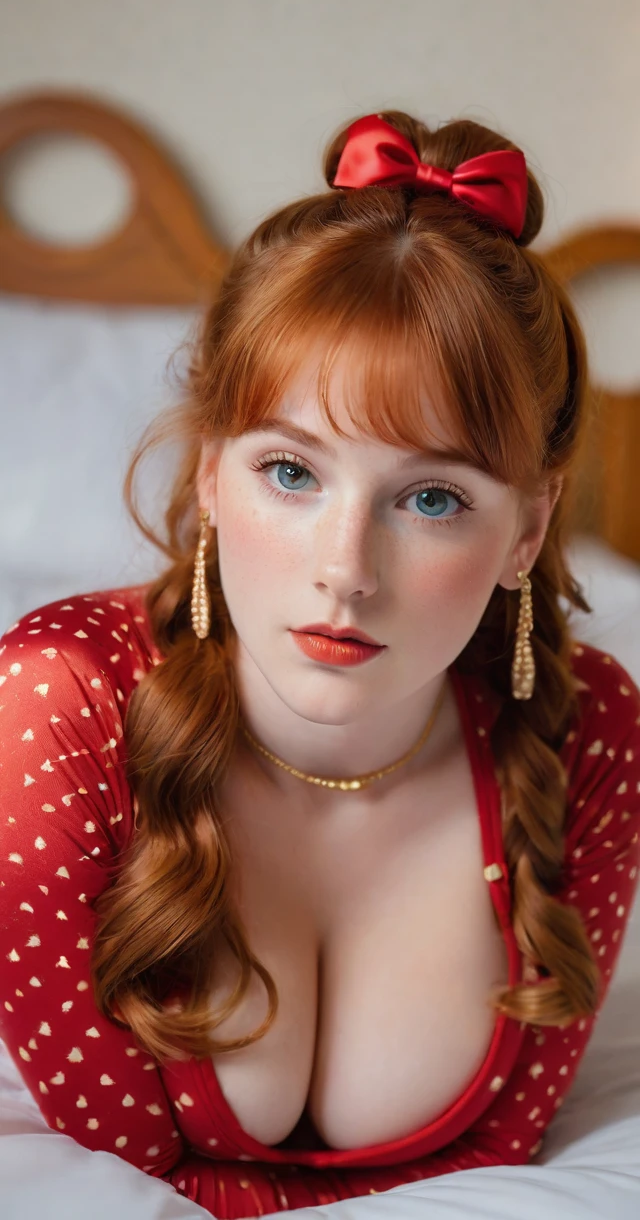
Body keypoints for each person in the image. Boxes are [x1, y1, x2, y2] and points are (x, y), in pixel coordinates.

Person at [1, 109, 639, 1220]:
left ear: (528, 533)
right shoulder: (51, 705)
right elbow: (124, 1171)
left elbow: (499, 1151)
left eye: (433, 497)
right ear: (210, 475)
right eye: (291, 472)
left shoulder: (591, 729)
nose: (346, 571)